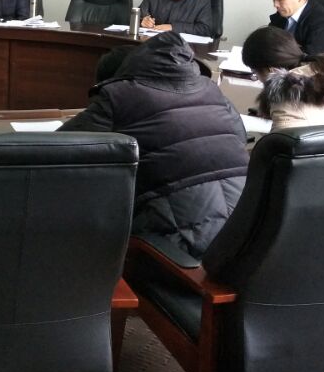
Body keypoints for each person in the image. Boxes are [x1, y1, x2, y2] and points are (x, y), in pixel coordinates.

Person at [57, 33, 248, 258]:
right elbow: (241, 138)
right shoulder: (212, 89)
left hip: (180, 247)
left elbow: (57, 150)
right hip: (244, 231)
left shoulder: (119, 95)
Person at [241, 26, 324, 129]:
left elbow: (278, 151)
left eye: (255, 72)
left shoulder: (284, 101)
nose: (258, 79)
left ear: (271, 70)